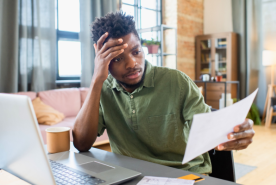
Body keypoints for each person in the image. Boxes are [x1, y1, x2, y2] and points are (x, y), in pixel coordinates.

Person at [73, 12, 255, 175]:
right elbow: (81, 144)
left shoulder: (176, 82)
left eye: (136, 51)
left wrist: (235, 132)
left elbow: (209, 131)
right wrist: (97, 80)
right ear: (102, 60)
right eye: (118, 58)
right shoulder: (103, 89)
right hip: (131, 176)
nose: (132, 63)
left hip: (184, 174)